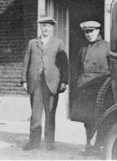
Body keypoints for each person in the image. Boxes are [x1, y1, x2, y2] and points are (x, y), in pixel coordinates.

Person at [20, 17, 69, 151]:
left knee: (50, 114)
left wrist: (64, 81)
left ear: (52, 28)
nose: (46, 28)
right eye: (43, 26)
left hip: (52, 83)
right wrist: (24, 80)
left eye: (48, 26)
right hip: (35, 82)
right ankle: (34, 142)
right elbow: (26, 62)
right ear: (40, 28)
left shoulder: (58, 43)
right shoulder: (32, 43)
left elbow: (64, 63)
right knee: (36, 114)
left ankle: (49, 142)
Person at [72, 21, 111, 155]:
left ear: (98, 31)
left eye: (92, 31)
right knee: (87, 119)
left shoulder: (107, 46)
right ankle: (90, 145)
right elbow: (78, 69)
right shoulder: (83, 49)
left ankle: (101, 145)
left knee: (101, 117)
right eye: (86, 32)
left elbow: (114, 68)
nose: (89, 35)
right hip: (85, 87)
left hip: (100, 88)